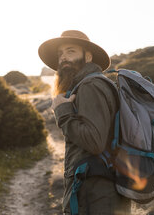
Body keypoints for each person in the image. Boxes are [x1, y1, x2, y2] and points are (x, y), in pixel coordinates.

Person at [38, 30, 131, 215]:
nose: (63, 58)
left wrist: (62, 113)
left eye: (71, 51)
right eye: (60, 54)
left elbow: (94, 141)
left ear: (87, 57)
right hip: (98, 192)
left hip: (97, 197)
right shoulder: (88, 85)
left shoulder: (90, 86)